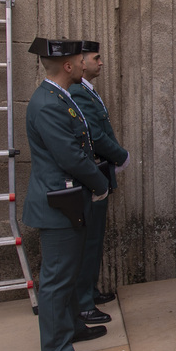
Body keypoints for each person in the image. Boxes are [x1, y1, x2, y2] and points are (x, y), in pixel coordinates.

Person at [22, 38, 113, 351]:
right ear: (69, 66)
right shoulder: (47, 104)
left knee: (70, 272)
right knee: (57, 279)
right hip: (57, 203)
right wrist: (101, 183)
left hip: (69, 199)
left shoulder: (60, 98)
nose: (87, 64)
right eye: (80, 60)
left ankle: (72, 325)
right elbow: (71, 156)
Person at [67, 40, 131, 324]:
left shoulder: (87, 91)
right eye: (96, 58)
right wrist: (121, 156)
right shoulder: (79, 92)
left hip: (101, 171)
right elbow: (94, 134)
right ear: (81, 61)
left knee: (94, 240)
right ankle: (83, 302)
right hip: (92, 174)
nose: (100, 62)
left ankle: (89, 292)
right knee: (88, 241)